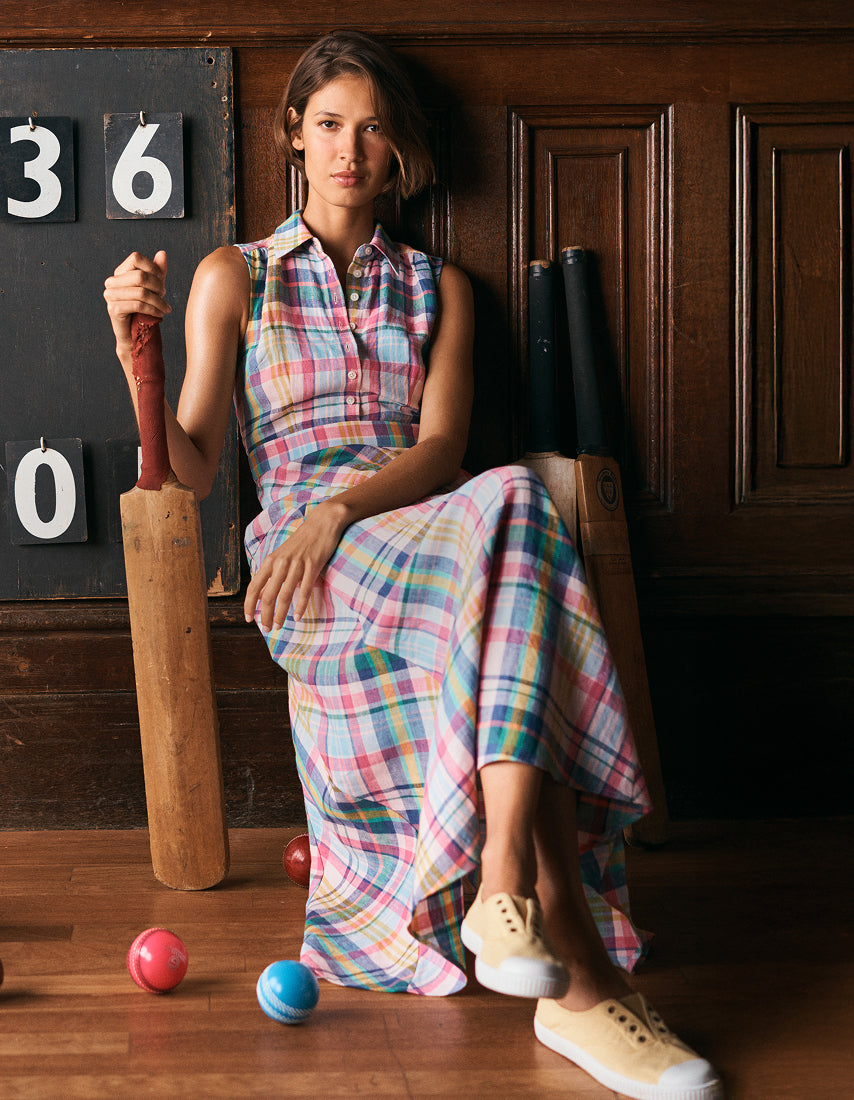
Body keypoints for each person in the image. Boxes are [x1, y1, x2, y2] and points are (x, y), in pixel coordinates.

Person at [104, 30, 721, 1100]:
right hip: (304, 571)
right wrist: (138, 366)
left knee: (513, 495)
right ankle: (551, 946)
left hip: (417, 527)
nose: (349, 149)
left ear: (398, 154)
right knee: (517, 512)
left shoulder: (440, 287)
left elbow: (439, 451)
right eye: (329, 124)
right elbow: (193, 468)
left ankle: (504, 894)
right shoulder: (230, 276)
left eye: (372, 128)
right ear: (294, 136)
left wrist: (340, 508)